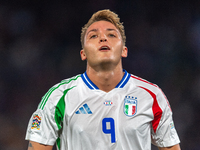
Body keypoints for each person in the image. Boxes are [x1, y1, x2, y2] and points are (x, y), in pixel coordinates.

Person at [25, 9, 181, 150]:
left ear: (124, 50)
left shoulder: (152, 95)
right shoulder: (59, 97)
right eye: (93, 35)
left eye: (111, 34)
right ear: (83, 53)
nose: (103, 39)